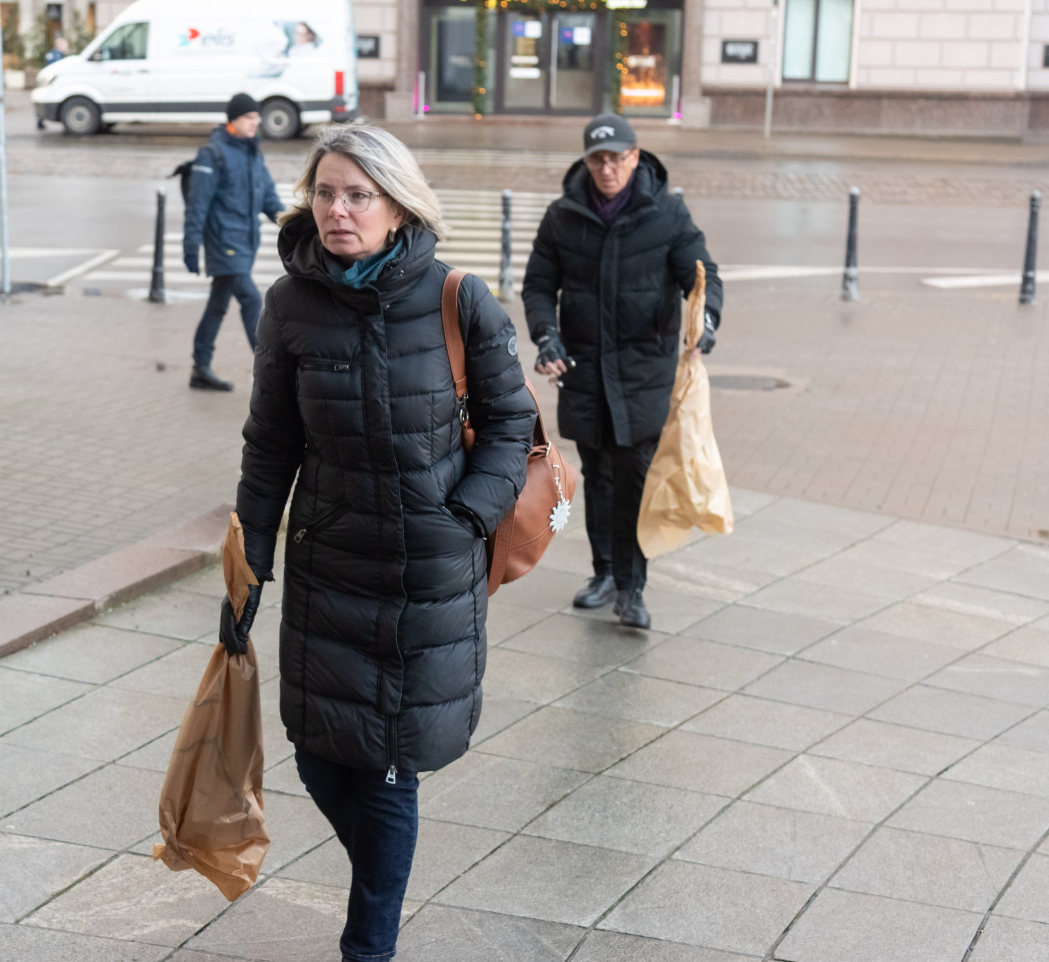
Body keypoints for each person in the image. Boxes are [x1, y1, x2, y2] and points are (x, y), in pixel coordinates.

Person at [219, 124, 537, 962]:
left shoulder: (459, 298)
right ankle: (383, 891)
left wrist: (467, 516)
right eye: (325, 193)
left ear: (398, 206)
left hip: (424, 575)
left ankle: (368, 946)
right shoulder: (290, 305)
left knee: (390, 767)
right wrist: (249, 559)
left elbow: (513, 422)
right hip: (329, 563)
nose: (338, 210)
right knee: (320, 757)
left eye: (358, 195)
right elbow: (270, 441)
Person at [521, 113, 722, 631]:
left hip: (643, 369)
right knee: (599, 473)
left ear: (635, 157)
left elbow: (701, 275)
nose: (606, 169)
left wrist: (706, 321)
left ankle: (632, 588)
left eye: (616, 159)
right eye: (598, 160)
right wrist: (546, 336)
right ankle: (604, 572)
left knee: (634, 472)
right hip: (584, 368)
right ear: (586, 162)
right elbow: (538, 284)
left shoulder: (667, 213)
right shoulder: (563, 216)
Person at [183, 93, 283, 391]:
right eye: (249, 117)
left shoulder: (252, 152)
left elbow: (268, 196)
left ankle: (200, 368)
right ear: (234, 120)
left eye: (257, 117)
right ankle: (270, 374)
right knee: (251, 299)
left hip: (245, 242)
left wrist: (290, 223)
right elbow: (198, 204)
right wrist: (191, 245)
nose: (255, 122)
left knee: (217, 304)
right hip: (223, 241)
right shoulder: (213, 154)